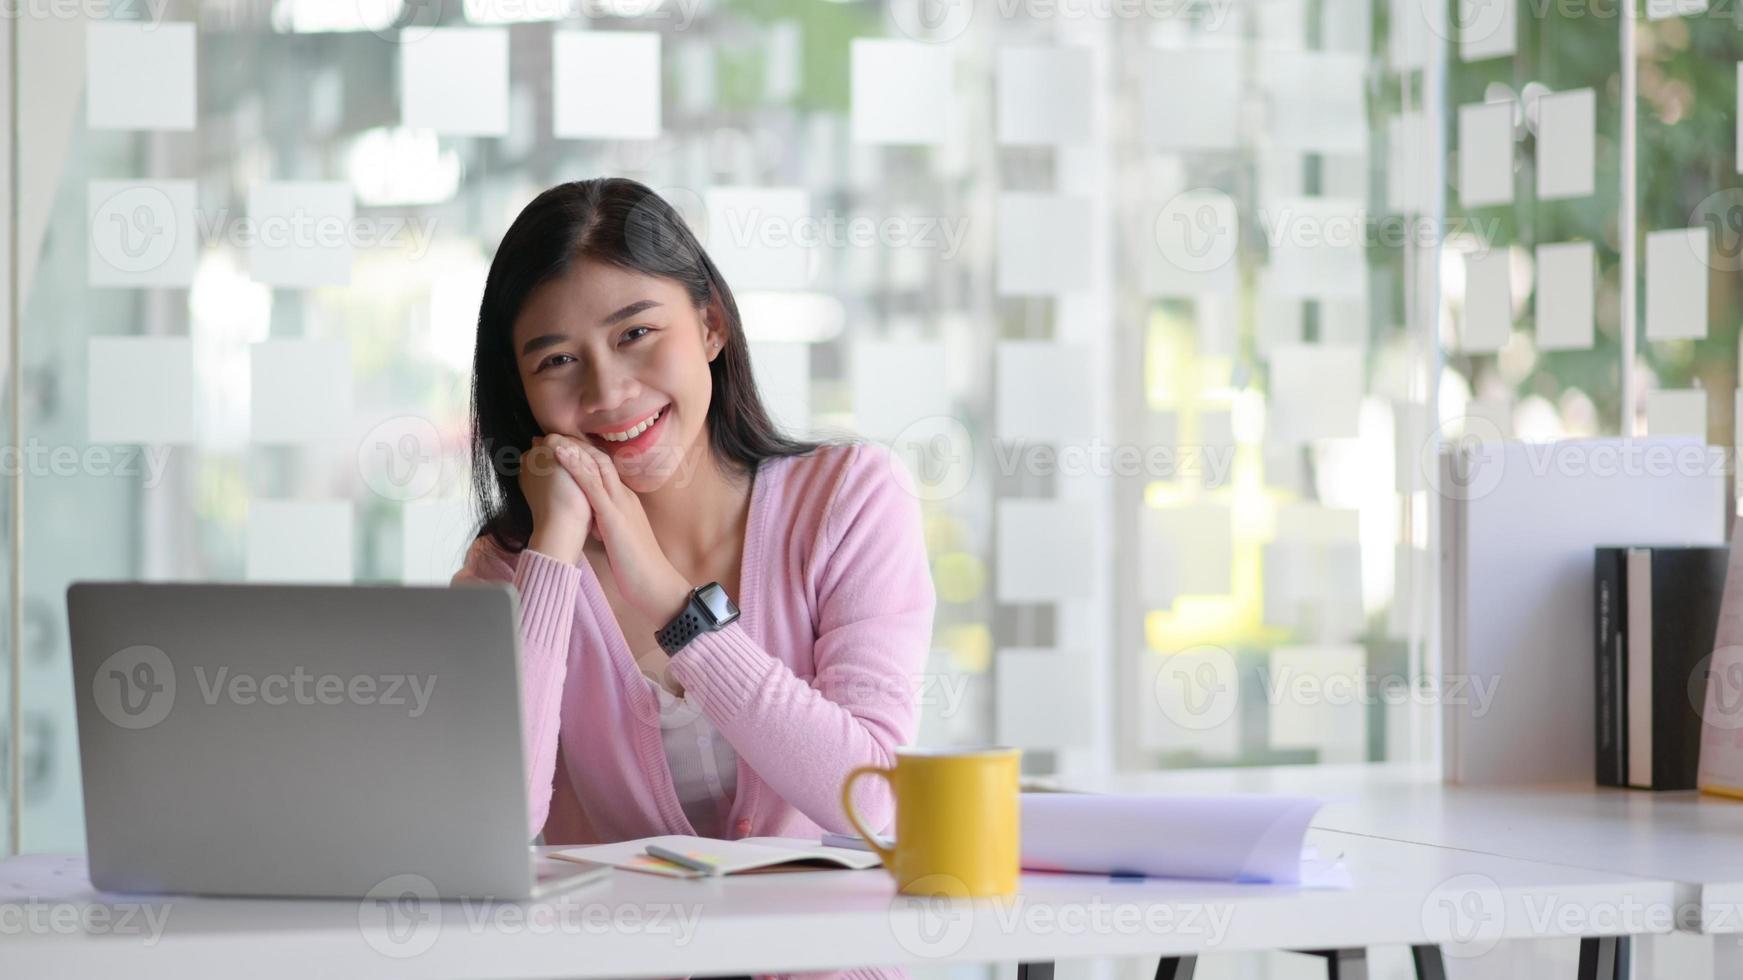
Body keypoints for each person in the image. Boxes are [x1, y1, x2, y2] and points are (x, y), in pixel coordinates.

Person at [451, 178, 935, 885]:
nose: (608, 391)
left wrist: (672, 603)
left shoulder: (850, 500)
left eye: (636, 334)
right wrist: (553, 550)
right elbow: (486, 827)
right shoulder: (509, 572)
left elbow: (871, 802)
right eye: (557, 360)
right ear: (520, 390)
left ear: (710, 325)